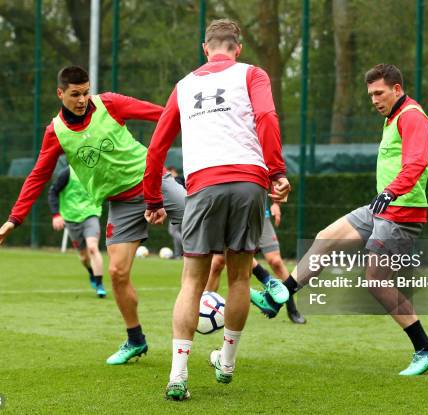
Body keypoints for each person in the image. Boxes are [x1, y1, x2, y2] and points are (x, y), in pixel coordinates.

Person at [252, 64, 428, 376]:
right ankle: (279, 297)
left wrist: (391, 192)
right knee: (326, 237)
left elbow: (417, 162)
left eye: (379, 93)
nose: (374, 100)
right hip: (383, 208)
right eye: (370, 95)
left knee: (376, 283)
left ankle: (426, 348)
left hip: (402, 212)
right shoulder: (394, 117)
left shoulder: (412, 116)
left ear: (397, 89)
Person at [0, 66, 186, 366]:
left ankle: (262, 278)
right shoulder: (55, 132)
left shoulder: (108, 103)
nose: (82, 99)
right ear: (60, 94)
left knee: (201, 222)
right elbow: (37, 176)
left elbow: (161, 114)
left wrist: (197, 124)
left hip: (153, 179)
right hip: (121, 205)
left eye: (85, 92)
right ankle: (135, 340)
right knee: (117, 274)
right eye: (75, 94)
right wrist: (14, 218)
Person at [143, 19, 291, 400]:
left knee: (192, 281)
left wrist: (152, 199)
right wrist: (276, 172)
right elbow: (267, 118)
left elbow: (158, 145)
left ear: (205, 48)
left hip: (203, 186)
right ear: (237, 48)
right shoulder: (253, 74)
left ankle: (177, 376)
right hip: (249, 182)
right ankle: (226, 362)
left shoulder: (184, 84)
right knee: (240, 279)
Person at [205, 201, 306, 324]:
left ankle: (292, 309)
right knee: (217, 262)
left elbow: (277, 182)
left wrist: (276, 203)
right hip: (230, 212)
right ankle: (205, 307)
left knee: (276, 261)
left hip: (259, 212)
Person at [48, 165, 106, 298]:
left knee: (92, 248)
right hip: (71, 219)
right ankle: (91, 272)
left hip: (91, 214)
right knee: (84, 257)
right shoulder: (67, 173)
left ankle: (99, 284)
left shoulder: (97, 172)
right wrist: (56, 215)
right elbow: (53, 192)